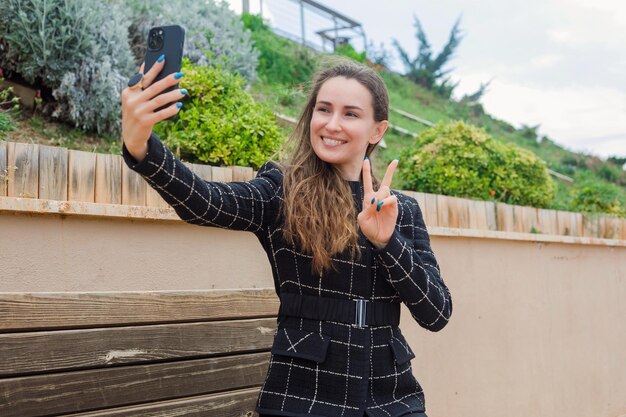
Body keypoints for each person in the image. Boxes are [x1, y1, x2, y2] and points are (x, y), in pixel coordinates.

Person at [121, 56, 452, 417]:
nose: (332, 124)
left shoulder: (401, 209)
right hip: (303, 397)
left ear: (377, 131)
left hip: (391, 398)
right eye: (323, 109)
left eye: (351, 114)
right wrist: (143, 148)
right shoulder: (282, 188)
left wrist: (389, 243)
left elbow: (436, 312)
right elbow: (206, 202)